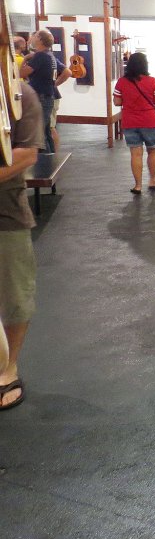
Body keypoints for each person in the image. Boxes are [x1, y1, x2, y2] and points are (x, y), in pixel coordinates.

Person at [0, 81, 45, 411]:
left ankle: (8, 368)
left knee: (15, 295)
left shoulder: (19, 94)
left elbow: (27, 153)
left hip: (5, 211)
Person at [113, 52, 155, 194]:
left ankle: (138, 185)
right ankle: (153, 180)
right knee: (153, 151)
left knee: (135, 154)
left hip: (130, 121)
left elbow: (117, 102)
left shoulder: (121, 82)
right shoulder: (152, 81)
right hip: (150, 121)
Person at [19, 30, 59, 154]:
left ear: (40, 40)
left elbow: (21, 74)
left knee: (39, 133)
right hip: (47, 96)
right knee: (45, 131)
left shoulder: (40, 56)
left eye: (35, 36)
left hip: (41, 97)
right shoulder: (49, 55)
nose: (32, 38)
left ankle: (43, 162)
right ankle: (50, 158)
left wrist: (25, 58)